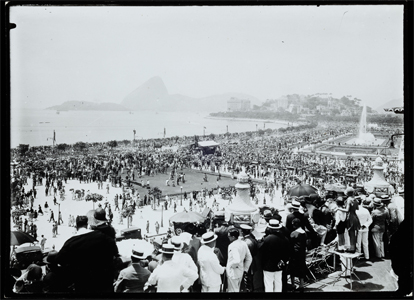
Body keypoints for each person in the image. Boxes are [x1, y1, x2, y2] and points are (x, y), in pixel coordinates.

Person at [55, 215, 120, 293]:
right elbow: (115, 251)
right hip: (104, 281)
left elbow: (59, 259)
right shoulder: (101, 236)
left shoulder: (70, 242)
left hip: (83, 284)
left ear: (76, 226)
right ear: (87, 224)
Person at [260, 219, 290, 292]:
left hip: (268, 265)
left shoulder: (267, 239)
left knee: (269, 284)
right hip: (279, 265)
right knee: (278, 283)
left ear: (269, 228)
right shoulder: (285, 239)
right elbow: (288, 252)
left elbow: (261, 251)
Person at [226, 228, 253, 292]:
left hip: (233, 272)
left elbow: (236, 260)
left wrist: (231, 266)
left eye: (229, 236)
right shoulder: (243, 243)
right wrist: (245, 269)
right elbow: (249, 258)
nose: (228, 238)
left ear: (233, 237)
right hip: (241, 270)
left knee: (232, 290)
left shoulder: (232, 246)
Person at [289, 218, 307, 292]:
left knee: (292, 269)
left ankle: (293, 284)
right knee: (301, 269)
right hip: (302, 254)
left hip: (294, 254)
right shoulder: (304, 233)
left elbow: (290, 244)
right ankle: (301, 285)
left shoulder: (293, 233)